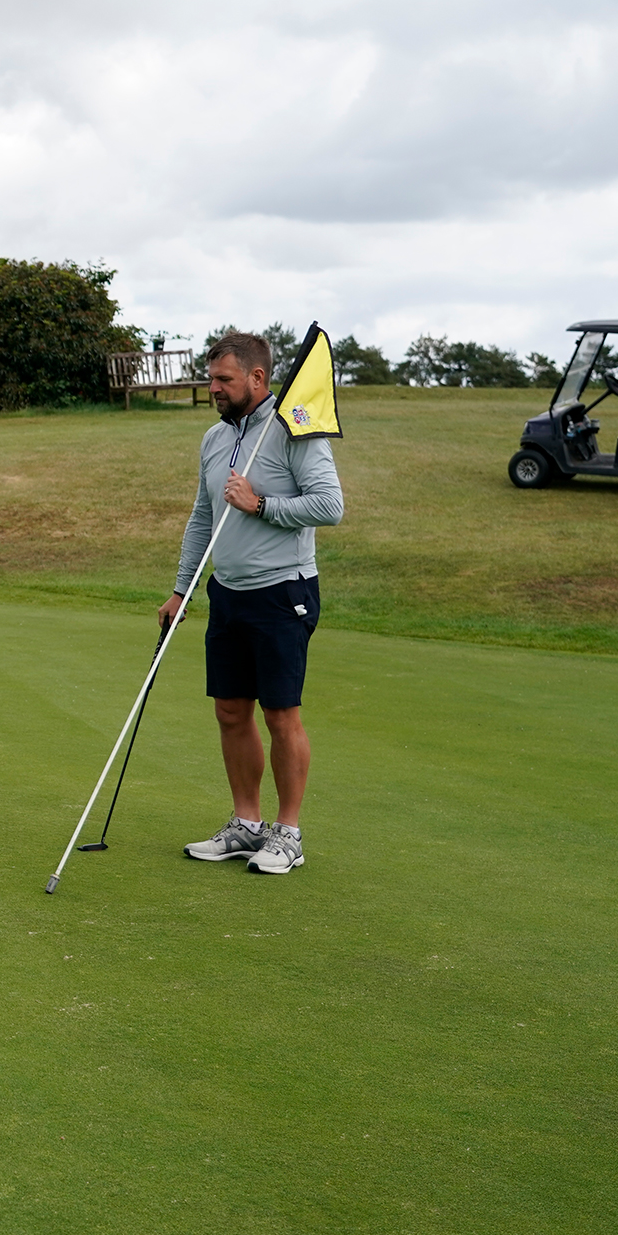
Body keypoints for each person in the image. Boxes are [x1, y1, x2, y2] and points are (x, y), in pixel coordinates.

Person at [159, 332, 344, 875]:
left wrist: (260, 504)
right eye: (211, 378)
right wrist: (181, 588)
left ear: (258, 379)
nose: (214, 388)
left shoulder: (295, 431)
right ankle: (247, 825)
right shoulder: (214, 439)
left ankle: (288, 834)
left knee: (279, 714)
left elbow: (330, 505)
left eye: (224, 380)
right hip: (228, 593)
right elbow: (202, 518)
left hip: (282, 590)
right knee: (230, 711)